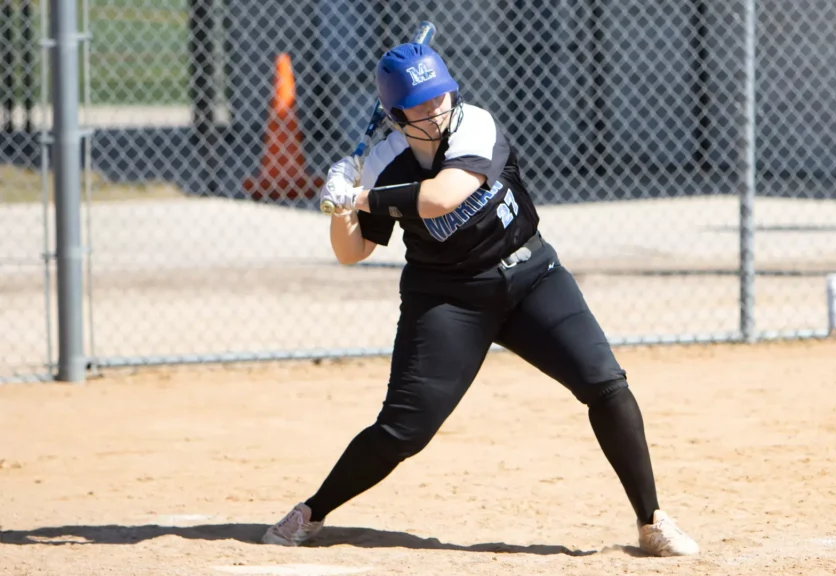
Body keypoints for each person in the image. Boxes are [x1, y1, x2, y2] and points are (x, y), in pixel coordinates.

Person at [259, 42, 699, 557]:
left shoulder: (476, 126)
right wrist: (340, 205)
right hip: (448, 299)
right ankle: (311, 511)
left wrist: (360, 197)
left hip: (532, 277)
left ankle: (652, 521)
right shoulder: (383, 166)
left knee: (605, 384)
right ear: (396, 115)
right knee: (405, 429)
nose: (438, 109)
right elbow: (353, 252)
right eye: (422, 105)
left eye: (442, 96)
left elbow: (444, 195)